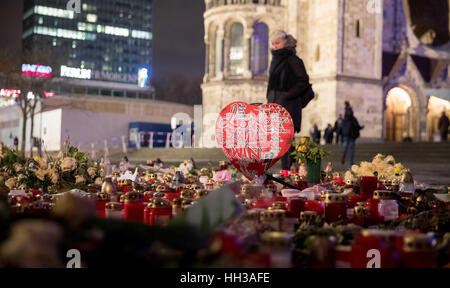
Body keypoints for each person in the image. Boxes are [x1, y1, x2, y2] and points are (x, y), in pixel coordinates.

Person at [266, 30, 314, 171]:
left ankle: (288, 172)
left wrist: (286, 95)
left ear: (285, 42)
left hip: (289, 106)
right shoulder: (275, 61)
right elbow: (272, 84)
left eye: (277, 43)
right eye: (273, 44)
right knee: (280, 142)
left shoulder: (293, 60)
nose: (275, 46)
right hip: (275, 106)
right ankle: (291, 169)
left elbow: (303, 82)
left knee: (286, 140)